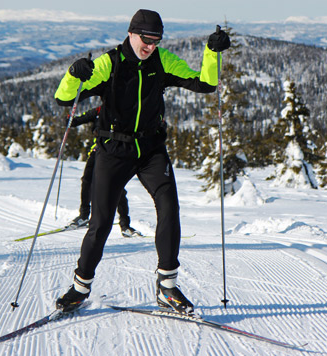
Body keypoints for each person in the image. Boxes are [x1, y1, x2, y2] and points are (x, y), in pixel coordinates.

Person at [53, 9, 230, 314]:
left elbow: (204, 84)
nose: (150, 45)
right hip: (113, 149)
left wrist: (212, 52)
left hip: (150, 148)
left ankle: (168, 287)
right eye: (146, 39)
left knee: (169, 207)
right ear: (131, 33)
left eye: (156, 40)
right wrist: (74, 74)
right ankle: (80, 288)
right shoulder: (110, 63)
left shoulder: (162, 61)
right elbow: (65, 99)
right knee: (102, 221)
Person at [66, 106, 142, 238]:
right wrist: (70, 119)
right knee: (87, 181)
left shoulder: (127, 109)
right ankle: (84, 216)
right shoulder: (100, 110)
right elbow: (78, 120)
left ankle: (125, 225)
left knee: (117, 187)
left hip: (116, 154)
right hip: (98, 151)